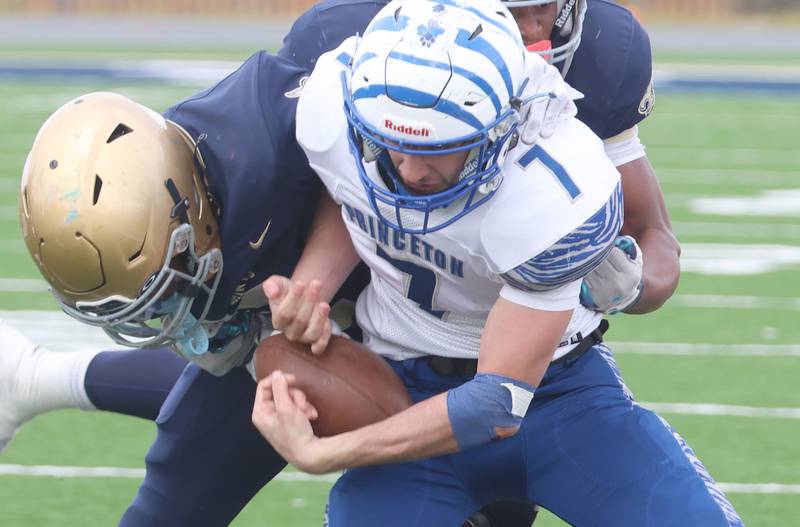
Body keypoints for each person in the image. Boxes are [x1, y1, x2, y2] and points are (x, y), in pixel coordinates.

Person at [1, 0, 675, 524]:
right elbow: (332, 178)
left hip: (491, 340)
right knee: (202, 463)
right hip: (352, 305)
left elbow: (658, 246)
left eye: (544, 10)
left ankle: (37, 375)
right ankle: (35, 376)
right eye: (507, 7)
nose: (531, 33)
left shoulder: (601, 56)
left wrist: (632, 277)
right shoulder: (350, 49)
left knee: (493, 502)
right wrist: (311, 288)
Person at [251, 2, 742, 526]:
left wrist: (328, 453)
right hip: (397, 382)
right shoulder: (336, 98)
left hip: (560, 397)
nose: (413, 171)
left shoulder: (555, 181)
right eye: (390, 145)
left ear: (501, 128)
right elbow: (349, 183)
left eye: (442, 148)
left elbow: (495, 405)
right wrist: (313, 283)